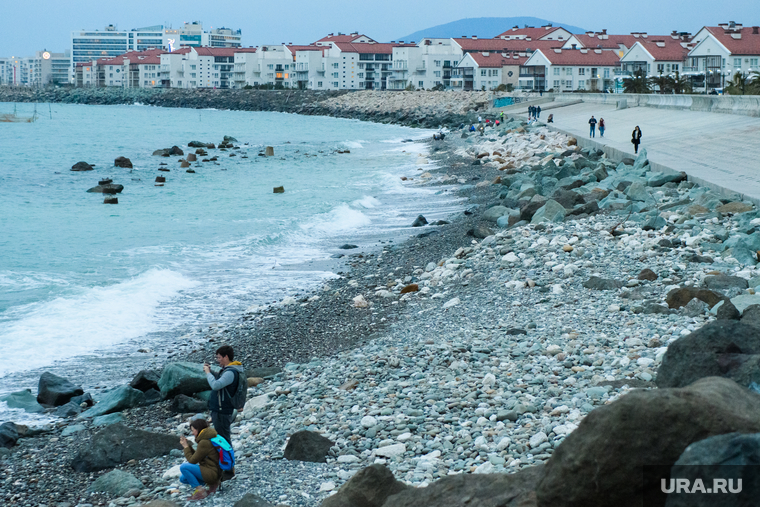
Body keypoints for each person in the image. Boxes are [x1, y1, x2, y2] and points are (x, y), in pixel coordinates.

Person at [205, 345, 245, 447]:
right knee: (222, 437)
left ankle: (228, 461)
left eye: (219, 358)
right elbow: (221, 381)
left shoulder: (230, 372)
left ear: (226, 357)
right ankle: (226, 460)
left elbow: (216, 385)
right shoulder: (229, 371)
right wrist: (212, 372)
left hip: (222, 410)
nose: (218, 361)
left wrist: (208, 373)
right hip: (220, 409)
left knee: (223, 439)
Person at [179, 419, 221, 501]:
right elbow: (199, 456)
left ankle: (200, 491)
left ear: (198, 429)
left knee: (184, 467)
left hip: (212, 472)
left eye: (193, 430)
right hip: (215, 471)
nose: (192, 433)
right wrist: (189, 446)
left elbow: (192, 461)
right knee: (183, 478)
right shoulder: (208, 437)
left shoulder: (204, 442)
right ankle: (212, 485)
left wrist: (185, 447)